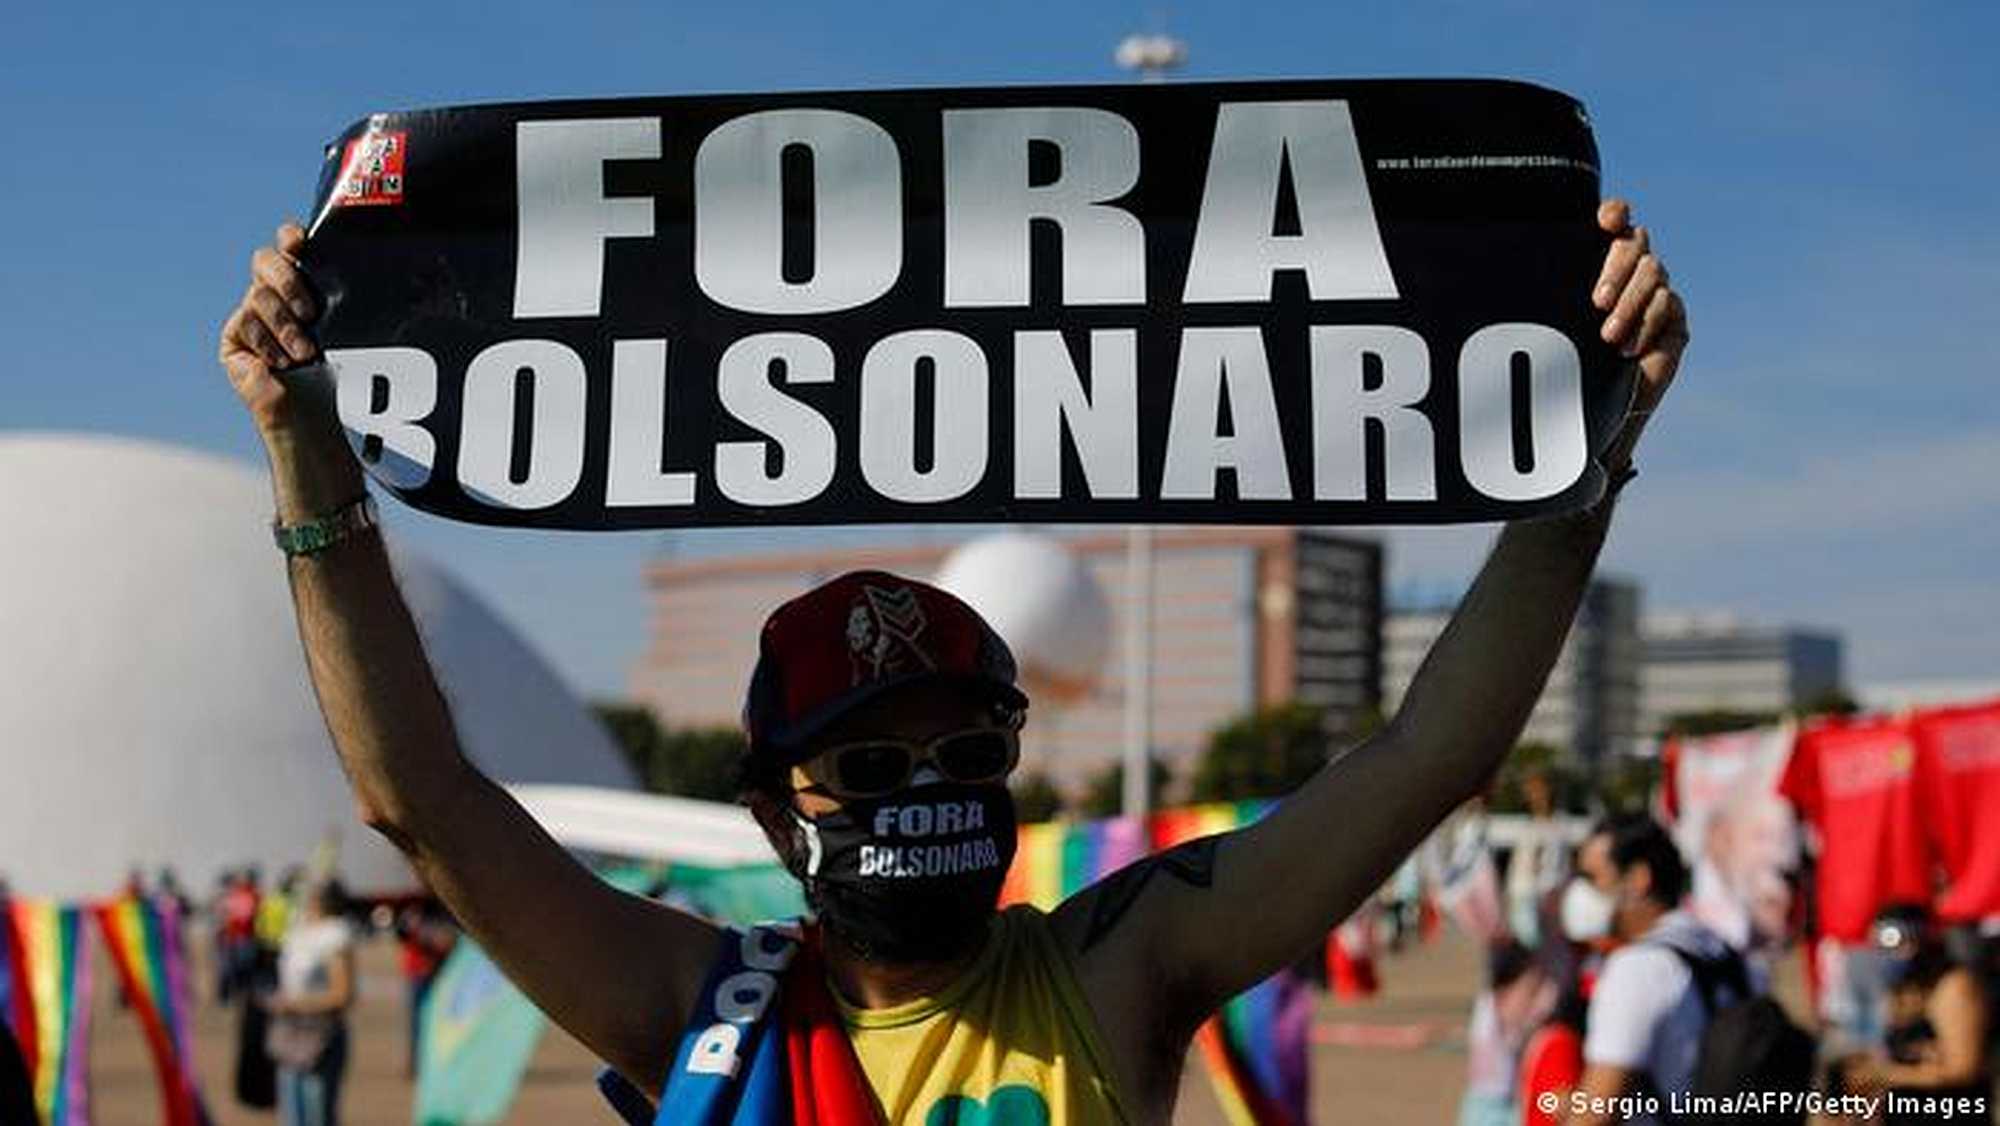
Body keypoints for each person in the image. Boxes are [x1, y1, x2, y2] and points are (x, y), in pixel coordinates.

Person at [218, 199, 1686, 1123]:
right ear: (771, 808)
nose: (926, 785)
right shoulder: (696, 1006)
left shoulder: (1123, 964)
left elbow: (1428, 756)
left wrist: (1589, 457)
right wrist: (306, 455)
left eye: (967, 751)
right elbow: (423, 797)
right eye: (866, 760)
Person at [1560, 813, 1748, 1126]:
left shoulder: (1636, 969)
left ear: (1638, 879)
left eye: (1593, 878)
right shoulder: (1717, 948)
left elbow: (1596, 1113)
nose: (1581, 893)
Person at [1833, 903, 1991, 1124]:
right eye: (1884, 943)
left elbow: (1962, 1069)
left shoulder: (1953, 987)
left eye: (1905, 940)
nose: (1899, 953)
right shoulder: (1896, 989)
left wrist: (1886, 1074)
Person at [266, 879, 358, 1126]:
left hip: (320, 1039)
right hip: (290, 1036)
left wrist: (296, 1004)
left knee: (317, 1117)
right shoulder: (300, 934)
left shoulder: (336, 936)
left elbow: (343, 995)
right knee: (292, 1116)